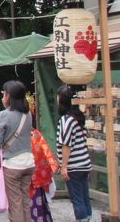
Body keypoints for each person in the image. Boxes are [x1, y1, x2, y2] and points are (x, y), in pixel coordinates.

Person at [0, 80, 34, 222]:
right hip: (29, 162)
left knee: (15, 203)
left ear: (8, 96)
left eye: (4, 93)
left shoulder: (3, 115)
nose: (3, 96)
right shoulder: (28, 114)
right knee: (25, 202)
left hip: (12, 164)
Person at [56, 85, 92, 222]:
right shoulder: (78, 117)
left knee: (77, 199)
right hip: (83, 163)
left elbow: (66, 144)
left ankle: (82, 219)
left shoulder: (66, 120)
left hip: (74, 165)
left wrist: (64, 166)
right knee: (84, 196)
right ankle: (88, 218)